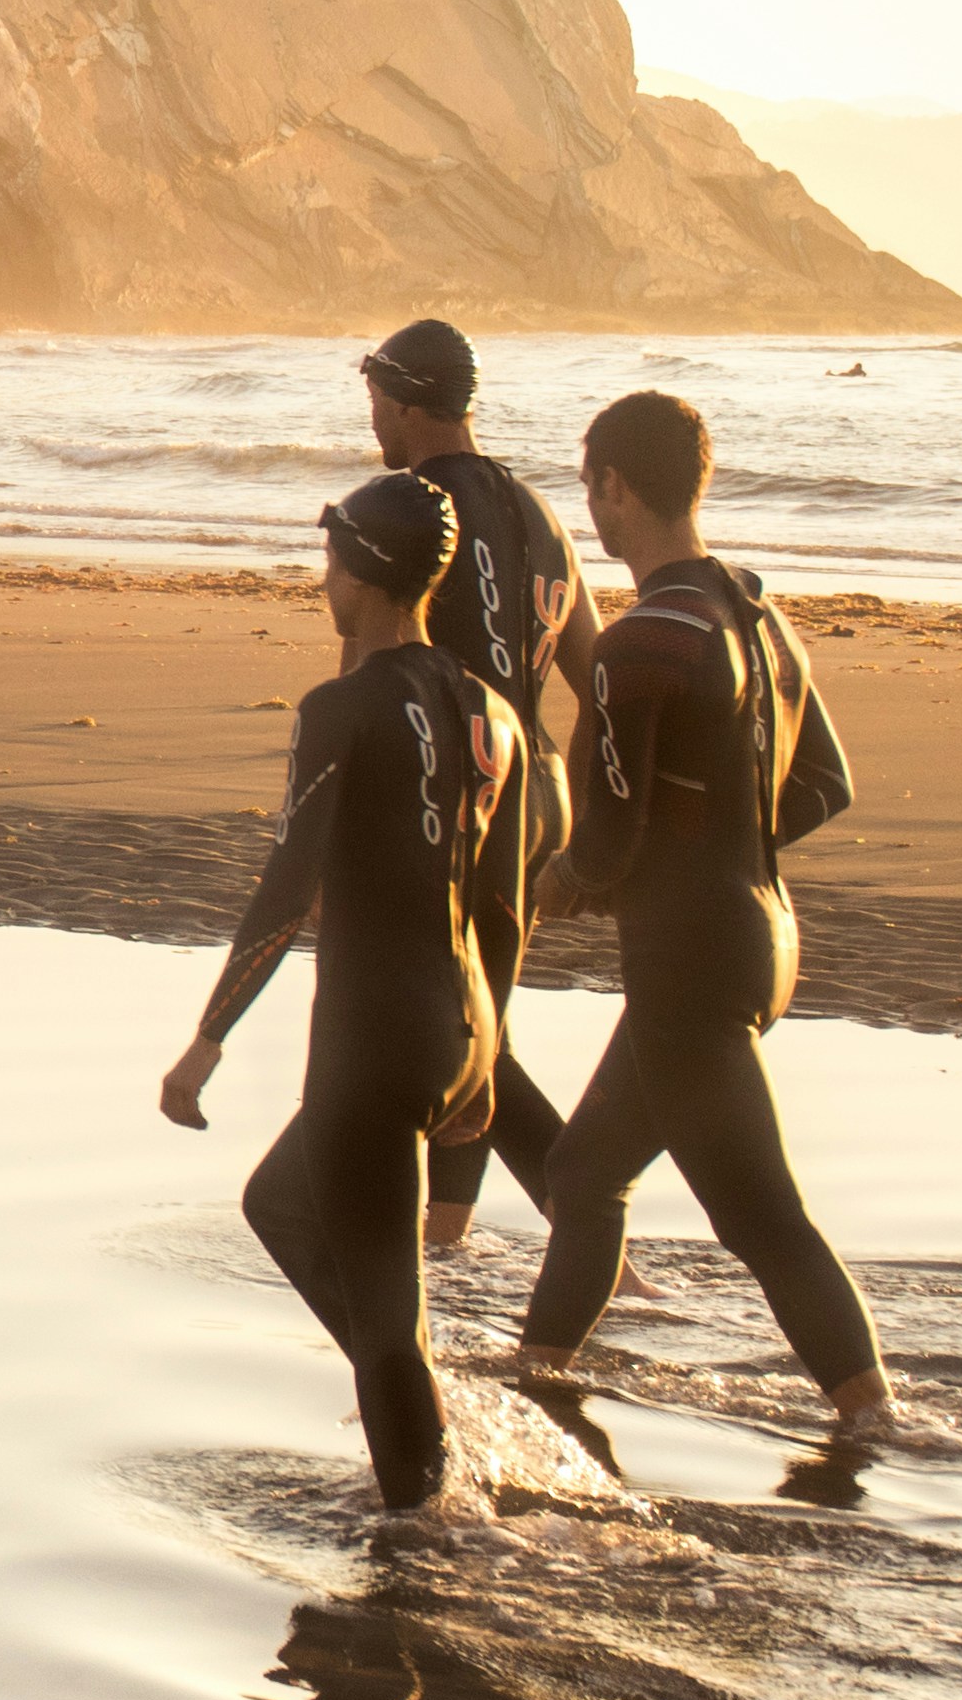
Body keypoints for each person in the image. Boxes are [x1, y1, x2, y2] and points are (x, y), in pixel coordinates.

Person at [516, 389, 892, 1435]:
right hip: (760, 938)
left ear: (614, 486)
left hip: (687, 962)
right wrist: (716, 848)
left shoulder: (642, 644)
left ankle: (875, 1419)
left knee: (761, 1218)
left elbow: (605, 842)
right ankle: (537, 1375)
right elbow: (824, 785)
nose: (589, 508)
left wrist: (549, 890)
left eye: (589, 487)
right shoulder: (758, 616)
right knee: (584, 1170)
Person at [161, 473, 519, 1506]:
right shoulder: (491, 712)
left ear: (360, 571)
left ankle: (429, 1530)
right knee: (279, 1202)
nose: (323, 581)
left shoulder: (341, 709)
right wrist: (484, 1055)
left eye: (330, 562)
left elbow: (288, 887)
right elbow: (503, 905)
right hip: (459, 1025)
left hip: (373, 1040)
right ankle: (427, 1418)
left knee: (391, 1319)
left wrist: (208, 1039)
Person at [356, 321, 581, 1244]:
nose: (371, 418)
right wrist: (587, 816)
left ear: (408, 403)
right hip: (539, 790)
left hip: (459, 795)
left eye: (374, 399)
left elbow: (368, 676)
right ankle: (447, 1230)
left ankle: (591, 1231)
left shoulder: (406, 511)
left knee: (457, 1032)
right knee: (480, 1021)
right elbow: (595, 674)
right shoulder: (539, 513)